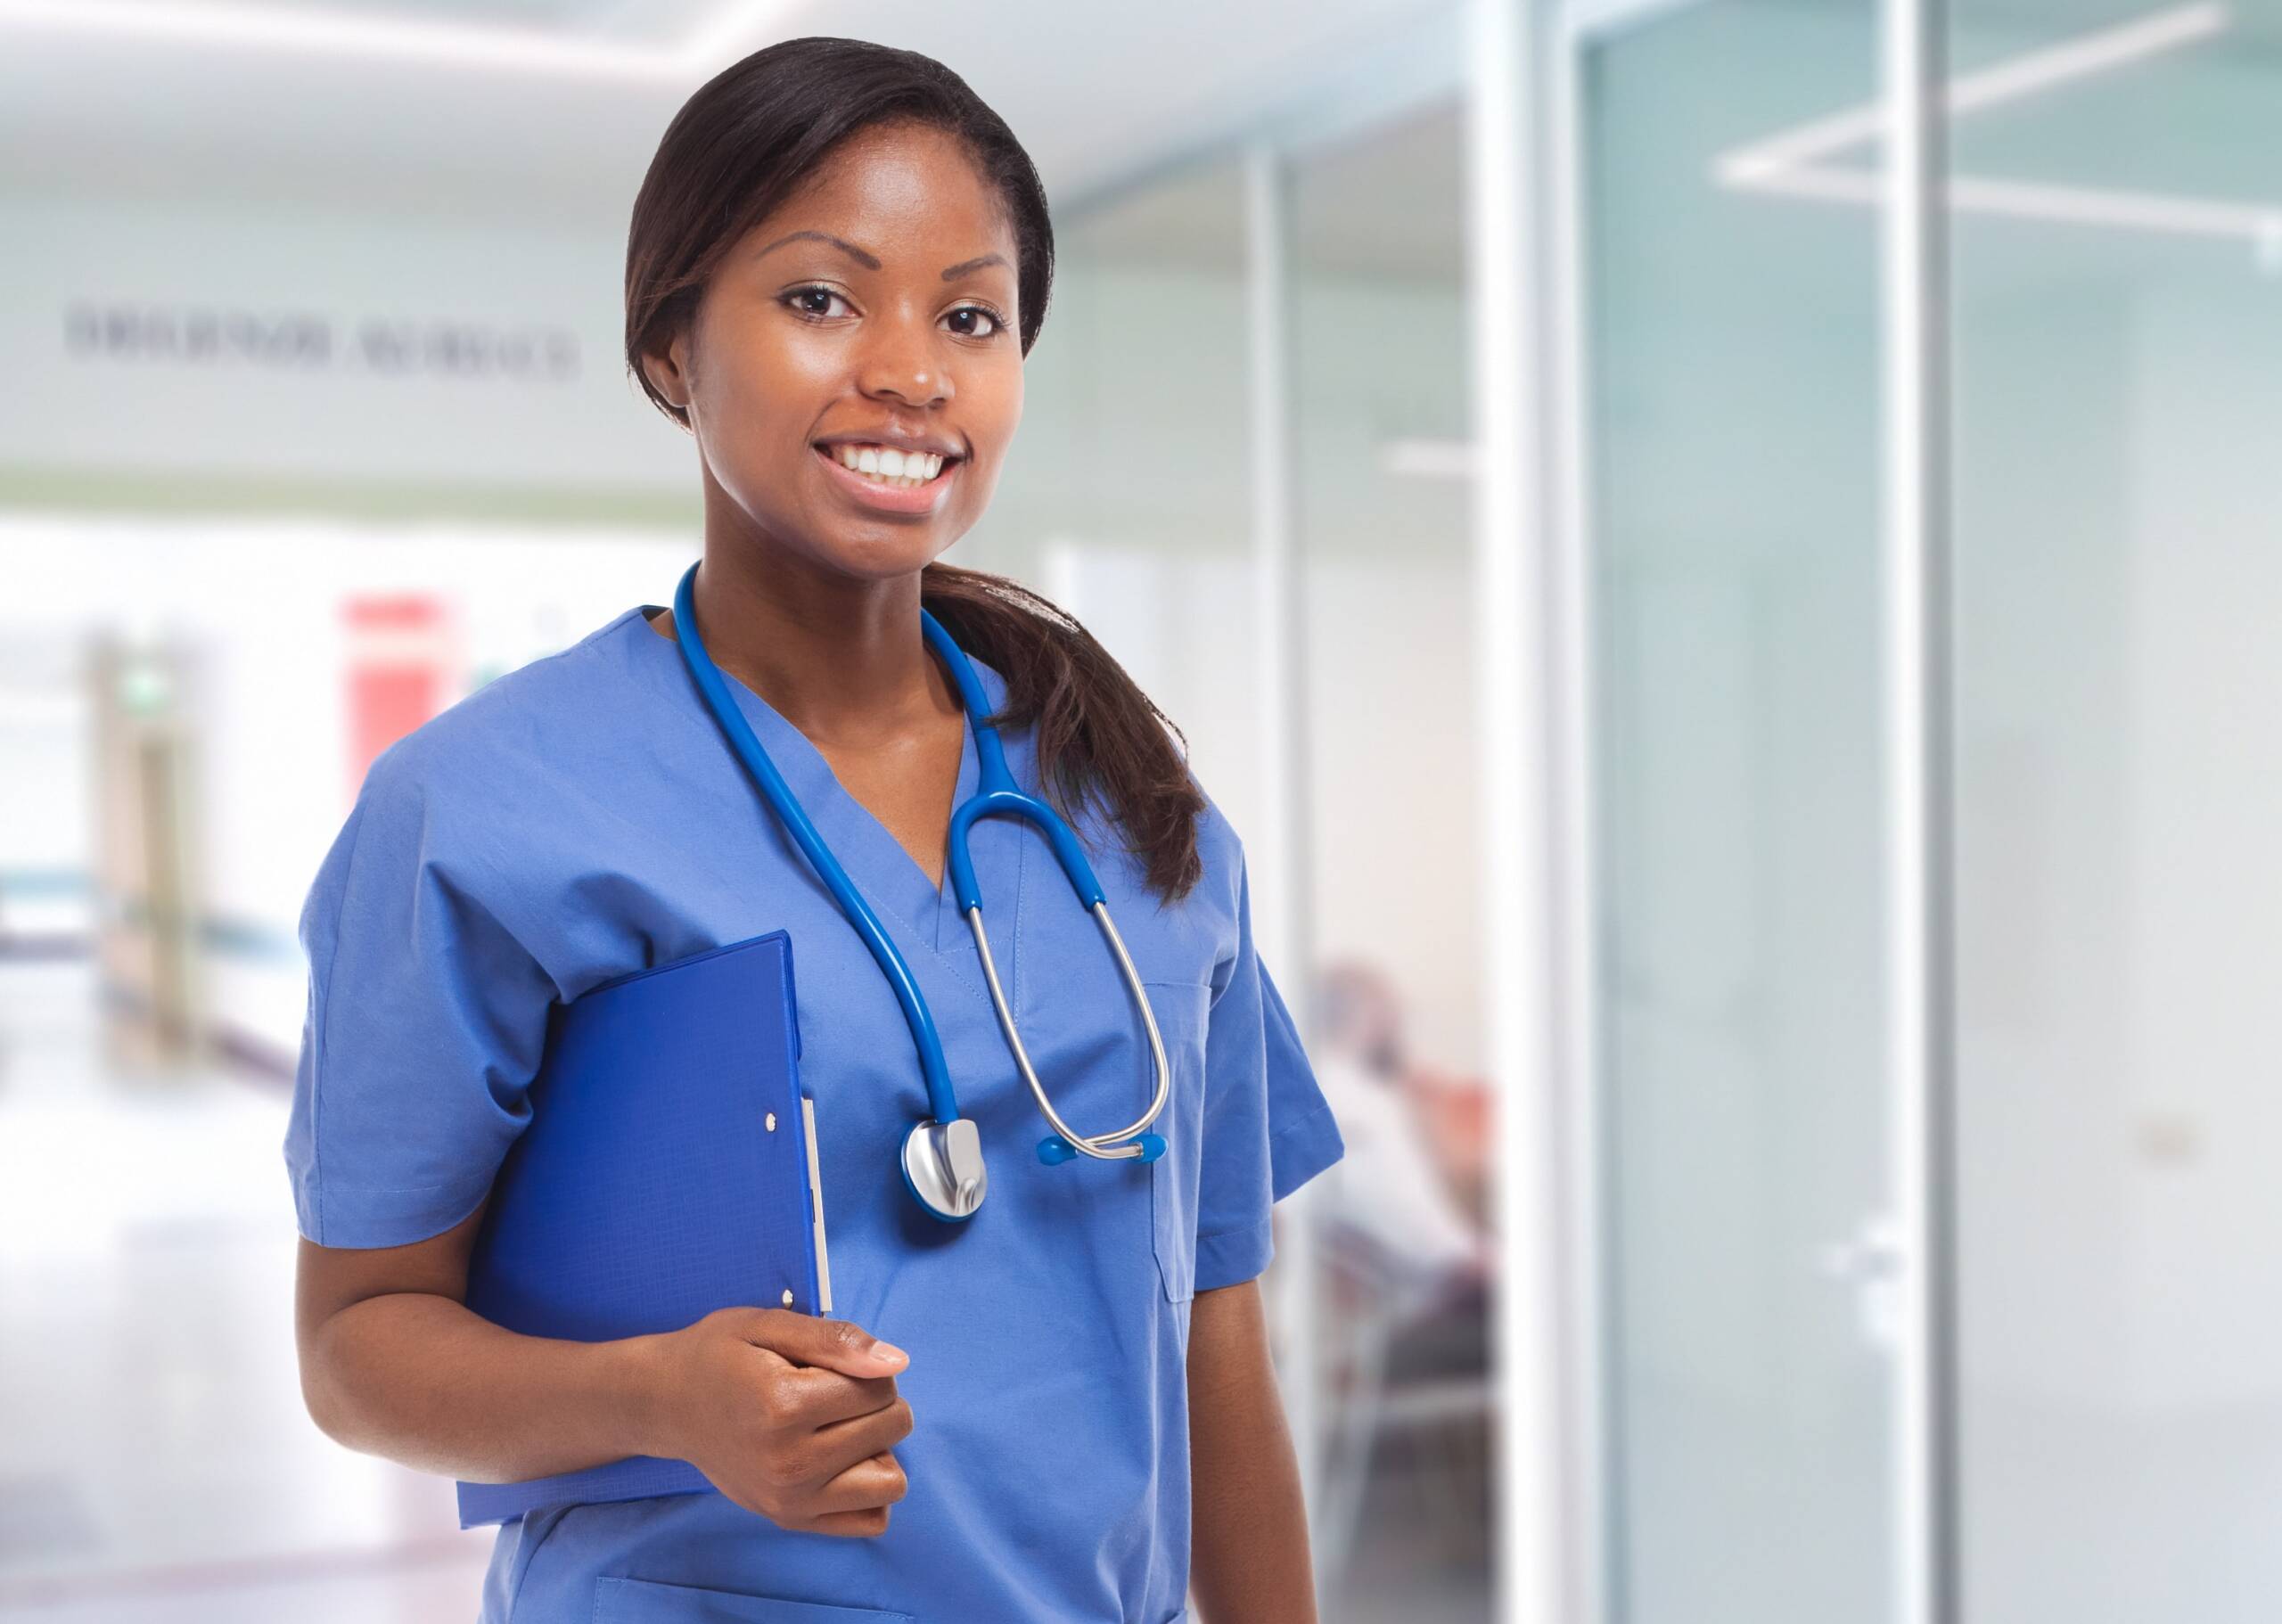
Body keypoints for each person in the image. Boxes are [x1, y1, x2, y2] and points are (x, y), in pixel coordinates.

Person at [282, 36, 1345, 1624]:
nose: (912, 370)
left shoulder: (1135, 814)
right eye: (821, 299)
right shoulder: (485, 809)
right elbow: (357, 1344)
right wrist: (659, 1398)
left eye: (970, 316)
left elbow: (1218, 1327)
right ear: (669, 350)